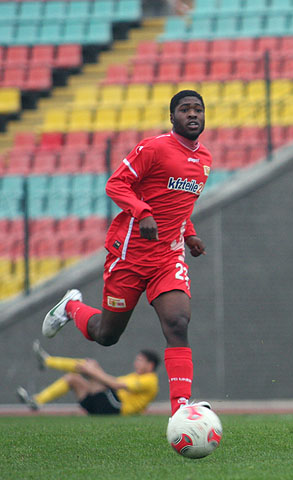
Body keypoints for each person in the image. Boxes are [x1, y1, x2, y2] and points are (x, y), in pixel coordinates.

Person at [40, 90, 212, 416]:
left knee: (178, 322)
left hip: (167, 257)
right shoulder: (154, 148)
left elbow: (178, 205)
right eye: (185, 109)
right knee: (106, 335)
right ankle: (72, 306)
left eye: (198, 109)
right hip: (129, 255)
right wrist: (141, 211)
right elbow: (116, 184)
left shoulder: (204, 159)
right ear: (172, 117)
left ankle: (181, 410)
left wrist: (189, 234)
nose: (193, 114)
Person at [17, 340, 159, 415]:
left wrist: (92, 371)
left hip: (116, 408)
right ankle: (37, 401)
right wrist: (92, 371)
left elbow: (116, 385)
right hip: (102, 405)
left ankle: (48, 361)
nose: (136, 363)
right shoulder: (136, 375)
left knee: (91, 366)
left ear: (150, 365)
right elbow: (113, 382)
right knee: (72, 378)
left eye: (140, 360)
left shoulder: (150, 380)